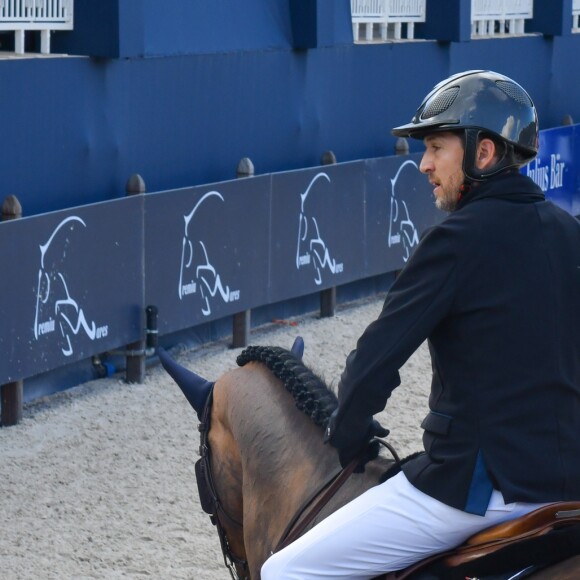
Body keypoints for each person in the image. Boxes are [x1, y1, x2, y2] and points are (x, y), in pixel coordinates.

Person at [261, 70, 580, 579]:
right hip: (569, 487)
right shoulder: (570, 232)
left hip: (481, 487)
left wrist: (347, 430)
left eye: (435, 147)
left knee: (285, 572)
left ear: (484, 153)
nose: (424, 165)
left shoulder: (455, 240)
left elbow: (373, 361)